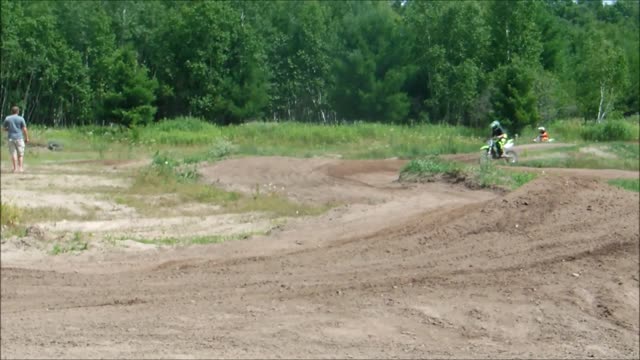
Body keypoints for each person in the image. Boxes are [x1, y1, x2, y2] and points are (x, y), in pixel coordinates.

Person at [3, 106, 29, 173]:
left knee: (13, 153)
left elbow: (4, 128)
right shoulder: (21, 119)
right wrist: (27, 138)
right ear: (18, 111)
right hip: (19, 138)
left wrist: (9, 129)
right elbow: (24, 129)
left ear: (11, 111)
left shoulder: (7, 118)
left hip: (11, 138)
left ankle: (15, 169)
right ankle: (20, 168)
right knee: (20, 154)